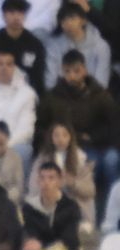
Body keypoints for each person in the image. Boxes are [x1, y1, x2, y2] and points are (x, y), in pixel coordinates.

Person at [36, 53, 117, 216]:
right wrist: (54, 140)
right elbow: (40, 126)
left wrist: (93, 137)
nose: (71, 76)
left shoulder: (100, 95)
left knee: (110, 160)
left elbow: (115, 126)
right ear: (61, 72)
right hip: (61, 147)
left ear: (85, 71)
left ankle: (110, 207)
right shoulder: (53, 97)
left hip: (96, 146)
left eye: (76, 71)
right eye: (67, 71)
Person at [19, 160, 83, 250]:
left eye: (51, 178)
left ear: (59, 181)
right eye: (42, 178)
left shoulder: (71, 207)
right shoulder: (29, 208)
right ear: (37, 181)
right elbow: (31, 236)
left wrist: (42, 245)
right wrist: (34, 244)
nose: (46, 182)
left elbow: (67, 240)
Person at [29, 120, 96, 229]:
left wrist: (73, 183)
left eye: (65, 135)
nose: (60, 139)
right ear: (51, 138)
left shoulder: (81, 159)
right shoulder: (42, 159)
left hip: (76, 208)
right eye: (56, 135)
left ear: (71, 138)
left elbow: (90, 191)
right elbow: (33, 187)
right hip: (49, 205)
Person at [0, 0, 47, 97]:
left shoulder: (35, 44)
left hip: (25, 94)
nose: (16, 17)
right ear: (4, 16)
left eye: (20, 13)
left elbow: (38, 77)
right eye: (12, 12)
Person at [44, 1, 108, 93]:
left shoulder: (101, 47)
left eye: (72, 18)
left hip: (92, 98)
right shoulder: (53, 46)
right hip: (62, 97)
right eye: (63, 20)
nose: (68, 23)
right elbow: (50, 82)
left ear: (84, 20)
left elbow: (101, 84)